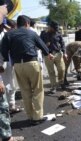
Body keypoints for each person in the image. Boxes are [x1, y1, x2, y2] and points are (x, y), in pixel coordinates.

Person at [1, 15, 53, 126]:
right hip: (32, 63)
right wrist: (48, 53)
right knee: (38, 90)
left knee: (25, 91)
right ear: (27, 24)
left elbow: (3, 49)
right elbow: (43, 46)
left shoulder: (8, 34)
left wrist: (6, 59)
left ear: (16, 24)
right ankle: (37, 117)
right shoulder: (31, 33)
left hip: (18, 65)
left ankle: (30, 116)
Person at [0, 5, 24, 141]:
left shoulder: (4, 34)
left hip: (7, 65)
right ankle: (7, 137)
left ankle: (11, 105)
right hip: (2, 68)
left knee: (11, 87)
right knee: (2, 105)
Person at [0, 18, 21, 114]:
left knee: (10, 84)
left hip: (8, 62)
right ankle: (9, 105)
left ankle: (10, 104)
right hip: (3, 63)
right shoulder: (5, 34)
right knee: (8, 84)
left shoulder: (5, 33)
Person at [40, 21, 67, 93]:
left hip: (58, 54)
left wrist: (64, 52)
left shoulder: (58, 33)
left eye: (57, 29)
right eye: (54, 28)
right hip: (48, 55)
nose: (56, 30)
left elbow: (62, 43)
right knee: (51, 72)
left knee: (62, 69)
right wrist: (48, 52)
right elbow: (40, 45)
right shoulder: (43, 34)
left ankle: (61, 82)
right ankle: (53, 87)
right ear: (50, 27)